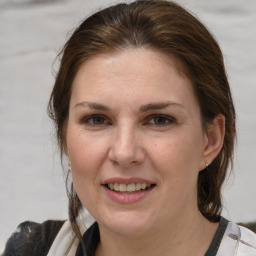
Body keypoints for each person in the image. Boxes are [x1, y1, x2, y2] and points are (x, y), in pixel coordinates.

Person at [3, 1, 256, 255]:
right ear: (65, 136)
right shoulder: (32, 249)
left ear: (210, 140)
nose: (124, 153)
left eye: (159, 120)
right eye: (97, 120)